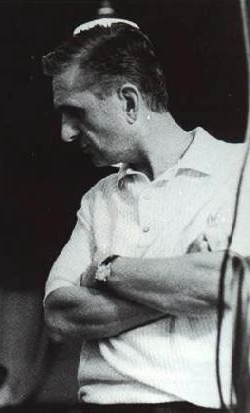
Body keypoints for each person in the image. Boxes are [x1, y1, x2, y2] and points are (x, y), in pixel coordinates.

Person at [42, 23, 245, 412]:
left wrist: (107, 269)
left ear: (129, 103)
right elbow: (60, 315)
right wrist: (182, 288)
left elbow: (229, 282)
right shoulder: (97, 198)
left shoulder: (240, 170)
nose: (66, 133)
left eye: (75, 112)